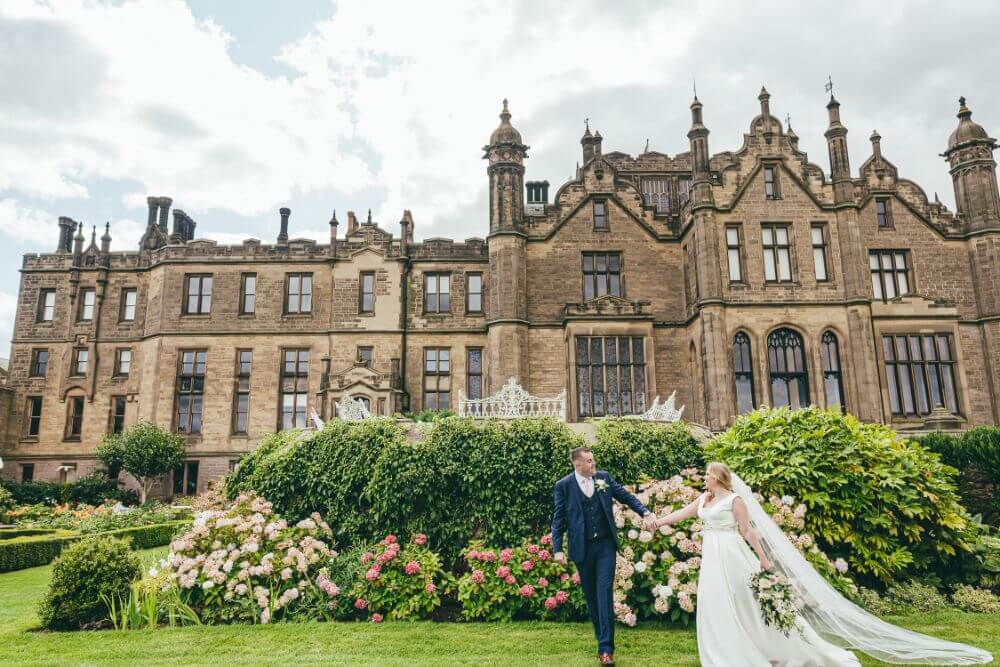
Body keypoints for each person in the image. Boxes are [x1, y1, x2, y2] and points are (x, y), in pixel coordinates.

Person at [656, 461, 993, 667]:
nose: (704, 479)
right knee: (716, 604)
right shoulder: (705, 499)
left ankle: (766, 650)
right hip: (712, 555)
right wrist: (656, 522)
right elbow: (682, 513)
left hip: (731, 553)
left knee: (742, 603)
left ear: (719, 478)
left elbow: (748, 530)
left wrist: (761, 558)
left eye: (707, 476)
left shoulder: (734, 500)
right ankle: (723, 652)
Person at [551, 446, 657, 666]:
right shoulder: (564, 486)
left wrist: (645, 512)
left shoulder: (604, 478)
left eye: (593, 460)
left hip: (605, 546)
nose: (593, 464)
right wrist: (558, 549)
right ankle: (602, 641)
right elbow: (558, 519)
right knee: (592, 599)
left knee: (604, 592)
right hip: (582, 549)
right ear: (577, 464)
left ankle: (606, 649)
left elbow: (626, 497)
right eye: (589, 461)